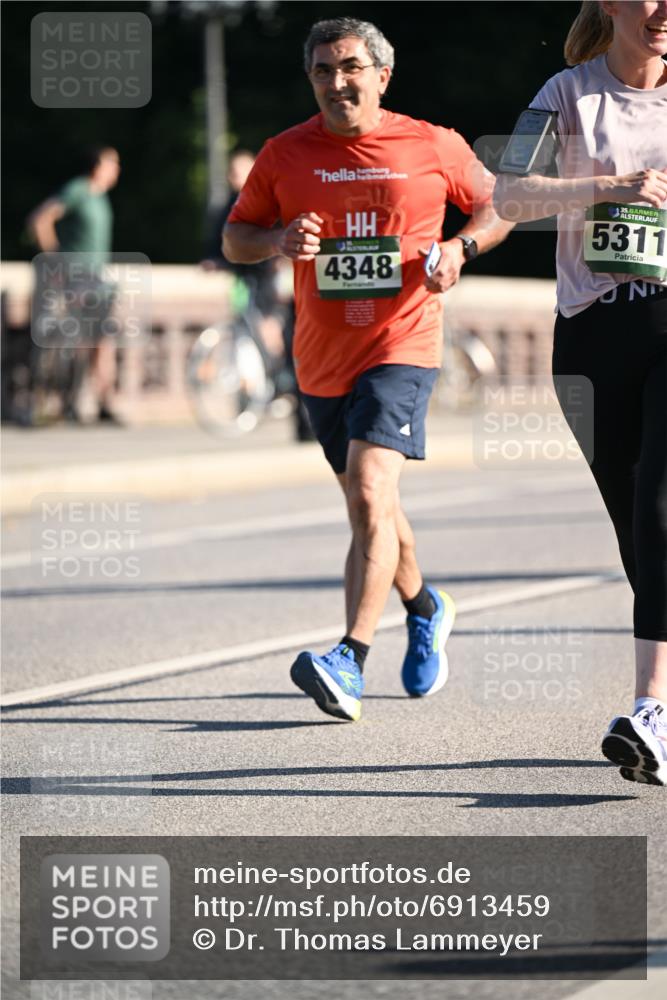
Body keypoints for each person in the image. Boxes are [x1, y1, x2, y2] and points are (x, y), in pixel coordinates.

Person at [224, 16, 512, 723]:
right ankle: (425, 605)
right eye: (323, 70)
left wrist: (461, 249)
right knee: (371, 504)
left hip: (402, 344)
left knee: (370, 488)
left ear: (382, 75)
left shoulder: (429, 144)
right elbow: (236, 237)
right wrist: (277, 239)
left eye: (350, 67)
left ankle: (348, 658)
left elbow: (499, 205)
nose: (337, 82)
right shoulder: (285, 153)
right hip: (322, 360)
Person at [494, 0, 667, 785]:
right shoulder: (564, 92)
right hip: (592, 335)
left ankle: (649, 710)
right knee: (636, 531)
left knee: (658, 507)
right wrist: (609, 187)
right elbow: (508, 195)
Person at [28, 146, 121, 423]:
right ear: (97, 167)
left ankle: (103, 403)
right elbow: (40, 220)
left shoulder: (101, 197)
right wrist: (54, 260)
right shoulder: (79, 190)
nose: (116, 169)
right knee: (78, 340)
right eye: (112, 163)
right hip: (76, 279)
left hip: (97, 281)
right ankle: (69, 402)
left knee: (102, 340)